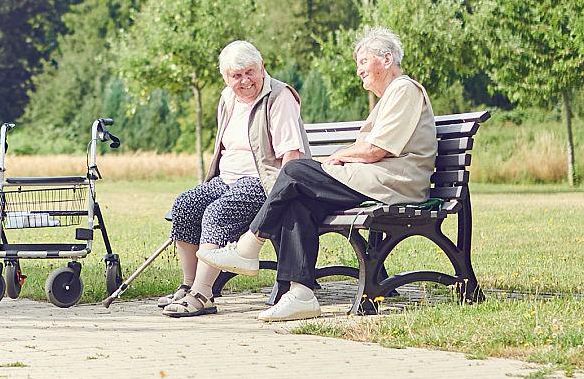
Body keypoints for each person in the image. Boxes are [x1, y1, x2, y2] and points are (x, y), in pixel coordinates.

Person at [201, 26, 437, 322]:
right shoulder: (391, 95)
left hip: (392, 185)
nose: (358, 70)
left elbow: (377, 150)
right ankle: (301, 294)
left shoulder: (404, 89)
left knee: (296, 169)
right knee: (298, 201)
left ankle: (249, 246)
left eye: (363, 62)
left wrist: (338, 156)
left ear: (387, 59)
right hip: (372, 181)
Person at [157, 41, 306, 317]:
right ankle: (189, 286)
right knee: (185, 205)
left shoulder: (279, 97)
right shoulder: (227, 98)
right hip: (226, 179)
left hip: (263, 182)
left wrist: (281, 198)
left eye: (250, 72)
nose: (245, 81)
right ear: (225, 78)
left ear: (262, 68)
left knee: (216, 213)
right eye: (236, 76)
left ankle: (203, 294)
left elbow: (292, 156)